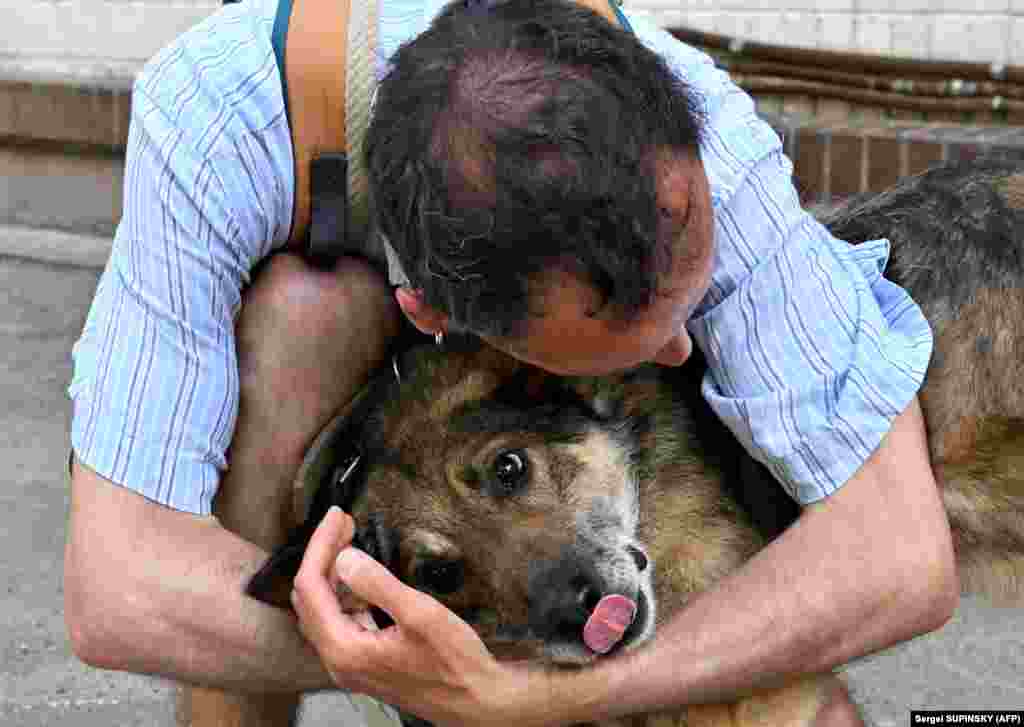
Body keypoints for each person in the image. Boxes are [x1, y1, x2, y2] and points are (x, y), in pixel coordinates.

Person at [64, 0, 958, 726]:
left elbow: (897, 553)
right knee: (304, 314)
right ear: (443, 323)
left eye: (688, 300)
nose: (682, 355)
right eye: (636, 346)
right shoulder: (214, 119)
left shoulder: (708, 140)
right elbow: (116, 588)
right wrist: (427, 652)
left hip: (507, 402)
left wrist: (548, 689)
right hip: (360, 345)